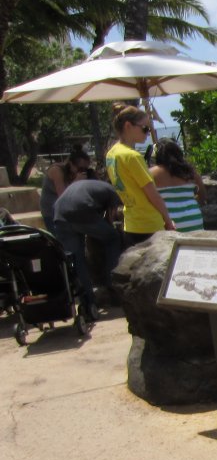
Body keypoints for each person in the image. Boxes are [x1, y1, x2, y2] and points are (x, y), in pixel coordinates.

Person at [105, 102, 175, 245]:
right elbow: (152, 193)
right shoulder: (132, 156)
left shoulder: (111, 154)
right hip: (149, 224)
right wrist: (168, 220)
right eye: (145, 128)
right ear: (128, 126)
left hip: (131, 223)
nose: (148, 132)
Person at [52, 179, 124, 318]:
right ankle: (113, 281)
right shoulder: (113, 192)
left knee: (77, 260)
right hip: (81, 210)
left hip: (59, 215)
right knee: (113, 237)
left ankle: (89, 302)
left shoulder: (90, 186)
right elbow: (111, 218)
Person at [150, 138, 207, 232]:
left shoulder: (151, 173)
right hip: (193, 218)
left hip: (168, 221)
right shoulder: (190, 171)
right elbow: (203, 196)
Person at [39, 146, 91, 233]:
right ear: (71, 164)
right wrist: (75, 182)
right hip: (52, 212)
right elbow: (63, 196)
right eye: (80, 169)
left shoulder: (74, 173)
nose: (82, 172)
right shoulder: (57, 170)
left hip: (68, 212)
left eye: (85, 169)